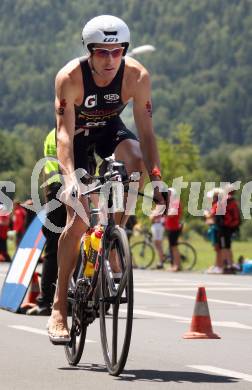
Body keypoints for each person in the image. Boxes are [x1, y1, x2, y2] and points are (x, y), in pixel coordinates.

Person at [48, 15, 166, 343]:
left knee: (137, 161)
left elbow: (146, 132)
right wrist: (71, 178)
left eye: (117, 51)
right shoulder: (70, 77)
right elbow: (64, 135)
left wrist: (156, 178)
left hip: (110, 130)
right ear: (89, 51)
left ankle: (114, 234)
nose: (111, 59)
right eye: (102, 52)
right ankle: (59, 306)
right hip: (78, 137)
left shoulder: (137, 76)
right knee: (78, 218)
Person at [27, 129, 67, 315]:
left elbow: (47, 173)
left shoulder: (53, 134)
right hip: (82, 189)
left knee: (53, 246)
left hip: (57, 189)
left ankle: (45, 302)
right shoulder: (84, 128)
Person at [204, 188, 223, 274]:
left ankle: (219, 266)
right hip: (217, 228)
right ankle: (217, 265)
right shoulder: (217, 204)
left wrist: (206, 213)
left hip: (217, 229)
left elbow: (210, 216)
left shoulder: (217, 205)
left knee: (218, 248)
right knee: (217, 248)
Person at [164, 188, 182, 272]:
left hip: (174, 228)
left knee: (174, 247)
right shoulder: (171, 203)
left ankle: (177, 265)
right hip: (171, 228)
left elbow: (171, 214)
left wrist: (164, 212)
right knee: (173, 247)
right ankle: (175, 264)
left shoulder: (175, 202)